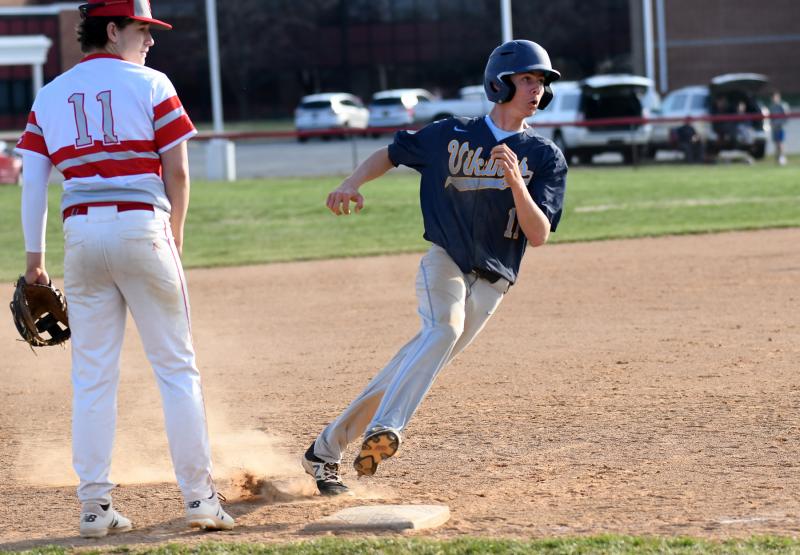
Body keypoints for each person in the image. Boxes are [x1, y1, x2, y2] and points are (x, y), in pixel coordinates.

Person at [301, 40, 567, 496]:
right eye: (527, 79)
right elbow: (392, 152)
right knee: (442, 331)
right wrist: (351, 182)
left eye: (541, 82)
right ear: (499, 83)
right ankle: (385, 431)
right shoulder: (450, 133)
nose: (536, 89)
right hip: (445, 259)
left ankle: (323, 452)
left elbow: (538, 234)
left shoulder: (543, 157)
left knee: (415, 361)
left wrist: (516, 184)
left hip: (495, 280)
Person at [15, 0, 234, 537]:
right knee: (177, 370)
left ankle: (94, 508)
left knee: (91, 379)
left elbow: (33, 183)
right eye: (141, 29)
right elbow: (177, 171)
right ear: (111, 30)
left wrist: (35, 261)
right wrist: (175, 231)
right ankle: (200, 499)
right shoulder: (153, 84)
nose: (150, 40)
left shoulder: (49, 93)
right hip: (142, 226)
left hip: (81, 236)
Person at [769, 91, 790, 166]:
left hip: (780, 127)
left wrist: (782, 123)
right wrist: (771, 124)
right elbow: (770, 117)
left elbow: (786, 116)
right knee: (776, 143)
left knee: (780, 143)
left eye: (776, 97)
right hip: (774, 127)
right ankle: (777, 159)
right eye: (773, 97)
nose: (774, 99)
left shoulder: (783, 105)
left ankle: (783, 158)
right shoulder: (771, 106)